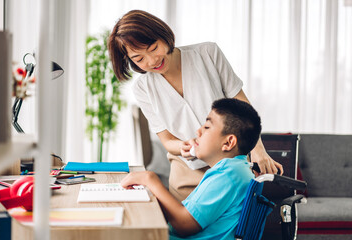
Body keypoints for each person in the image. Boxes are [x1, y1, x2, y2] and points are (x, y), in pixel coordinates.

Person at [108, 9, 283, 201]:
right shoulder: (143, 88)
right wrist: (183, 145)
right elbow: (167, 140)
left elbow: (244, 110)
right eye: (139, 59)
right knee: (182, 227)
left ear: (163, 36)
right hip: (187, 172)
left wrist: (258, 150)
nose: (152, 61)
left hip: (231, 167)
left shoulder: (207, 53)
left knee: (228, 227)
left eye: (153, 48)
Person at [121, 98, 261, 239]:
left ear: (228, 142)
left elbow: (185, 224)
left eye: (206, 127)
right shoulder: (236, 170)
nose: (198, 131)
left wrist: (150, 179)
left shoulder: (229, 175)